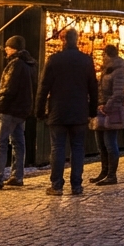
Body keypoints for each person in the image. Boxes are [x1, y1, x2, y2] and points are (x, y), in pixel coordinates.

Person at [35, 27, 99, 196]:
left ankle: (56, 185)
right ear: (77, 40)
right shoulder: (86, 60)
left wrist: (40, 110)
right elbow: (93, 88)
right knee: (78, 148)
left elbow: (43, 88)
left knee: (57, 148)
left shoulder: (54, 60)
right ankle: (76, 185)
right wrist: (92, 111)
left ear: (63, 40)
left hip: (58, 111)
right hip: (79, 112)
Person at [0, 36, 36, 190]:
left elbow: (7, 89)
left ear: (13, 48)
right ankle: (17, 175)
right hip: (22, 110)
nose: (6, 50)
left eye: (8, 47)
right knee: (18, 143)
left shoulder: (15, 64)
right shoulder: (29, 64)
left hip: (10, 110)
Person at [91, 44, 124, 184]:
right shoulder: (106, 70)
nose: (102, 57)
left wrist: (107, 106)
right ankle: (104, 171)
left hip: (112, 110)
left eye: (103, 54)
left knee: (110, 143)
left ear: (108, 55)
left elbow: (118, 93)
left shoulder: (118, 71)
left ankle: (112, 175)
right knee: (101, 143)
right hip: (101, 109)